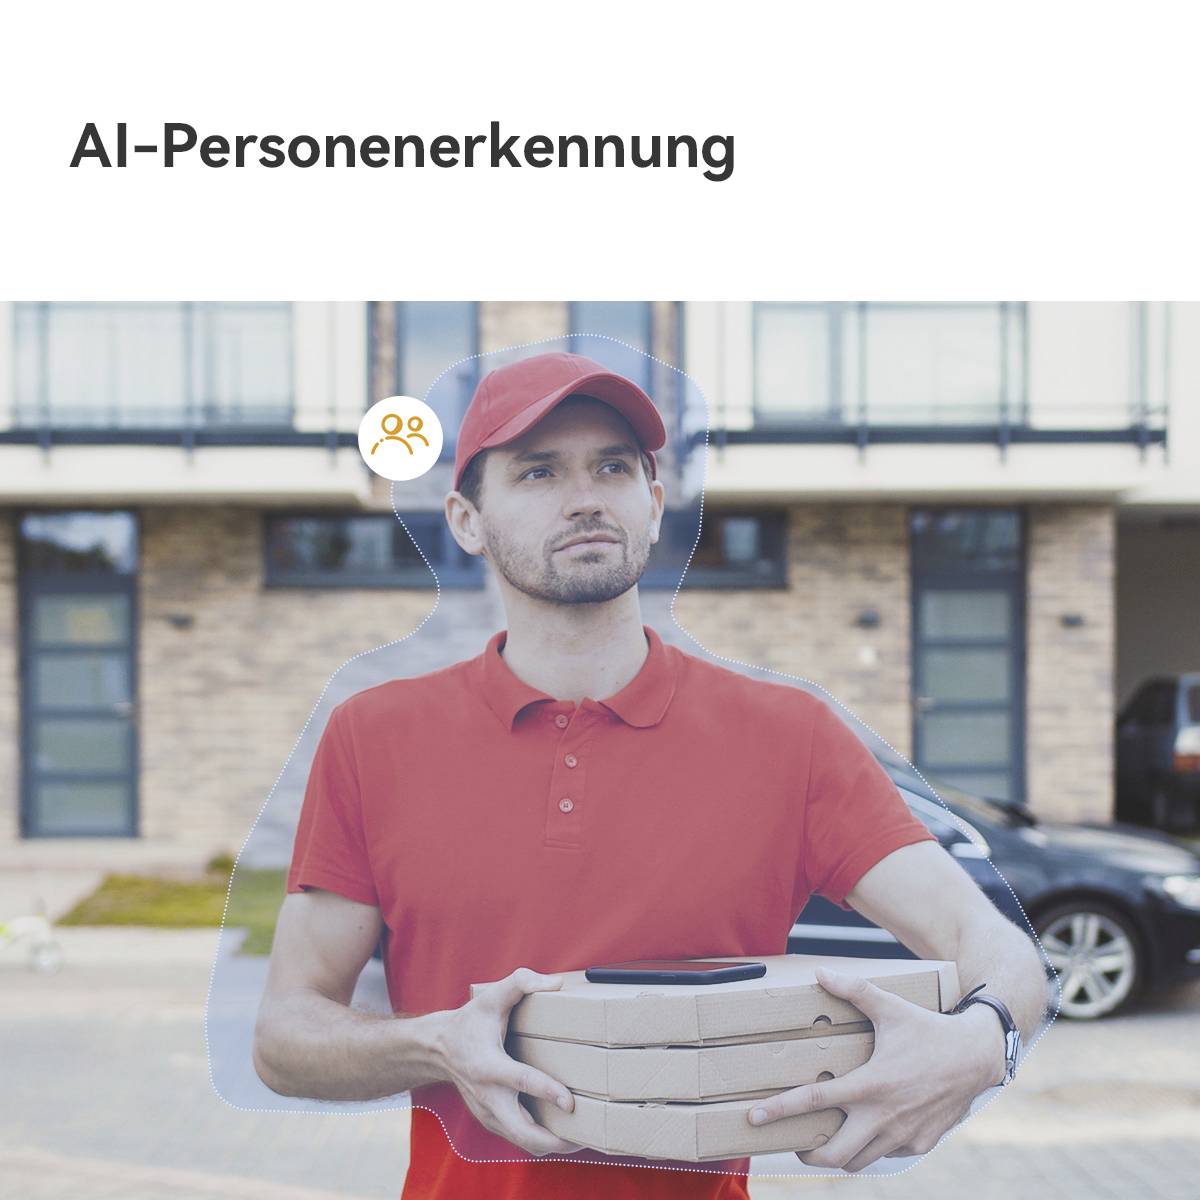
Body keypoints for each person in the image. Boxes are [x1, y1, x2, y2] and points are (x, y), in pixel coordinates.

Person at [253, 350, 1047, 1200]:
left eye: (614, 466)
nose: (585, 495)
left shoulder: (789, 737)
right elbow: (284, 1035)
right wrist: (437, 1044)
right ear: (465, 519)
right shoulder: (375, 738)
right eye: (538, 472)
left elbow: (994, 946)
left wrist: (981, 1041)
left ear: (655, 502)